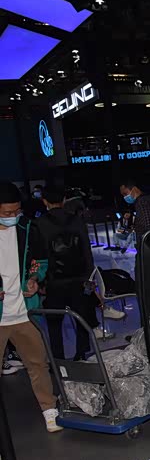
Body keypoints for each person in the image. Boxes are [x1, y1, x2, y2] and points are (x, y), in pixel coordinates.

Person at [0, 181, 62, 432]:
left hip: (25, 312)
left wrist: (35, 279)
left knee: (38, 363)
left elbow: (41, 261)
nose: (13, 216)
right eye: (7, 212)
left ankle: (49, 409)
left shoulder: (27, 228)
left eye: (17, 211)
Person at [37, 186, 108, 360]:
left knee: (54, 323)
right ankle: (81, 354)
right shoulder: (76, 220)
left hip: (54, 281)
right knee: (81, 318)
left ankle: (59, 360)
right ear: (63, 200)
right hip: (79, 279)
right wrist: (89, 279)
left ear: (44, 201)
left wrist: (41, 281)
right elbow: (87, 252)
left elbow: (40, 256)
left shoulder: (39, 224)